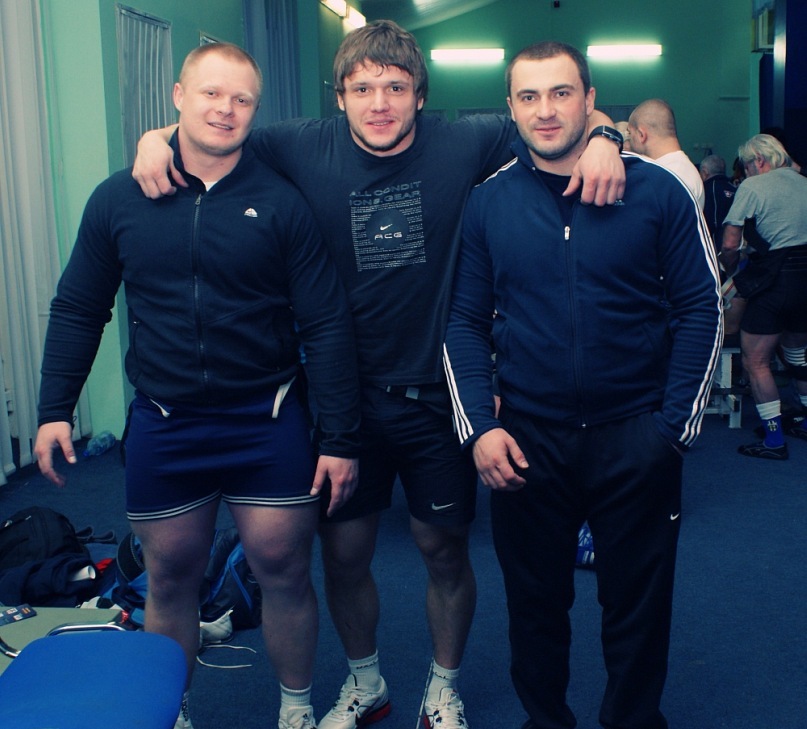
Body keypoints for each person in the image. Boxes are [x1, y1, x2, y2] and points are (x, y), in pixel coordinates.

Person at [132, 21, 625, 729]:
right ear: (339, 97)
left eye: (395, 87)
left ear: (420, 94)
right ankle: (366, 683)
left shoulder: (465, 140)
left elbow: (561, 119)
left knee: (443, 550)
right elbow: (210, 133)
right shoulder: (300, 144)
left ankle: (443, 687)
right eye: (362, 88)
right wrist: (153, 139)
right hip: (342, 400)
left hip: (438, 395)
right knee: (343, 556)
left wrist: (607, 137)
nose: (379, 103)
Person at [33, 42, 361, 729]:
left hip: (267, 421)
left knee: (284, 572)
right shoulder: (120, 198)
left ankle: (296, 710)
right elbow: (79, 306)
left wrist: (338, 436)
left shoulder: (281, 202)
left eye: (242, 99)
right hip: (166, 423)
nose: (225, 109)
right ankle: (171, 712)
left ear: (255, 110)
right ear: (178, 96)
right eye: (211, 93)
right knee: (170, 579)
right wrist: (55, 408)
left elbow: (326, 322)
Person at [443, 41, 721, 729]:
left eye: (561, 92)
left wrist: (672, 430)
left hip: (635, 434)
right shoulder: (488, 202)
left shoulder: (655, 191)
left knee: (637, 607)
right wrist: (479, 428)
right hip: (527, 442)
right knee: (535, 607)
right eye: (529, 96)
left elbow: (702, 307)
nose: (545, 110)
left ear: (590, 99)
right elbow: (463, 323)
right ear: (510, 107)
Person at [720, 133, 807, 460]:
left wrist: (731, 269)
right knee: (798, 355)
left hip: (775, 283)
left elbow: (730, 244)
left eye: (746, 165)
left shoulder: (753, 186)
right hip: (804, 281)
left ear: (758, 160)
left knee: (755, 361)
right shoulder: (804, 183)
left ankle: (774, 440)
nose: (745, 172)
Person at [628, 98, 705, 208]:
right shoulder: (678, 169)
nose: (629, 140)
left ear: (641, 135)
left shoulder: (672, 174)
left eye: (630, 133)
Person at [700, 153, 735, 251]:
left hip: (715, 246)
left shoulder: (706, 190)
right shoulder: (735, 188)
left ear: (705, 172)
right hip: (736, 244)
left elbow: (709, 223)